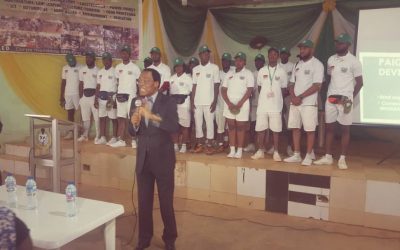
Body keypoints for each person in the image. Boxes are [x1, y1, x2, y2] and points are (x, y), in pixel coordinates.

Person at [129, 68, 179, 250]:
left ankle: (169, 239)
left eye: (145, 81)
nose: (140, 84)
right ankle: (144, 239)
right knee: (143, 203)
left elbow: (174, 126)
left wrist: (151, 116)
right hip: (143, 160)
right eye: (139, 81)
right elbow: (131, 131)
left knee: (166, 203)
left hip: (163, 160)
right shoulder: (135, 102)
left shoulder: (168, 101)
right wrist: (134, 125)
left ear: (156, 84)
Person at [314, 33, 363, 169]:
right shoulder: (331, 59)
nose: (337, 45)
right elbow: (330, 77)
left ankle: (342, 158)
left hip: (346, 100)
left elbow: (360, 83)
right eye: (337, 42)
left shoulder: (354, 61)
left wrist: (349, 97)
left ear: (348, 45)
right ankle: (328, 157)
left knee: (345, 129)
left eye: (341, 43)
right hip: (331, 98)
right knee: (329, 128)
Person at [283, 40, 324, 165]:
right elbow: (291, 83)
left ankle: (308, 155)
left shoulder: (317, 64)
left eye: (305, 48)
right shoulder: (297, 65)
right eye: (301, 48)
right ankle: (296, 154)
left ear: (311, 49)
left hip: (308, 103)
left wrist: (300, 97)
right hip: (295, 102)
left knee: (310, 130)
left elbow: (317, 86)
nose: (301, 50)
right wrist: (293, 97)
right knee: (295, 128)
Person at [251, 48, 288, 161]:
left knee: (276, 130)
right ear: (268, 56)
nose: (272, 56)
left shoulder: (282, 71)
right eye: (270, 54)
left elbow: (283, 89)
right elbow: (260, 88)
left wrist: (276, 98)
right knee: (261, 129)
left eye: (275, 54)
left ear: (277, 56)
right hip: (263, 105)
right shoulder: (262, 71)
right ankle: (260, 151)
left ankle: (276, 151)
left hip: (276, 106)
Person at [221, 52, 254, 158]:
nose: (238, 62)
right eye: (236, 60)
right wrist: (229, 103)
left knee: (240, 127)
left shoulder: (248, 73)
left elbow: (249, 90)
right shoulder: (229, 74)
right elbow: (223, 90)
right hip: (229, 104)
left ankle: (239, 150)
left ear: (244, 62)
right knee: (230, 126)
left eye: (240, 60)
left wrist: (240, 103)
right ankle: (232, 150)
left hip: (242, 104)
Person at [190, 45, 220, 154]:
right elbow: (194, 86)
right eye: (203, 53)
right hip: (197, 102)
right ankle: (200, 145)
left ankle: (209, 145)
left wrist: (215, 100)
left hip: (209, 101)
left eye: (207, 53)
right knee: (198, 123)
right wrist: (192, 101)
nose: (206, 55)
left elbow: (217, 85)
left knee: (209, 123)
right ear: (199, 55)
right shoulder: (195, 69)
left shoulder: (214, 68)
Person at [111, 45, 141, 148]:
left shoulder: (135, 68)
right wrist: (115, 96)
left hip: (131, 96)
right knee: (121, 118)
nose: (124, 55)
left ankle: (134, 140)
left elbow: (139, 84)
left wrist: (138, 97)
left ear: (129, 54)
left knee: (132, 118)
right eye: (122, 53)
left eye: (126, 53)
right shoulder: (118, 68)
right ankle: (121, 140)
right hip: (120, 96)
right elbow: (118, 82)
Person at [170, 58, 193, 153]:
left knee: (185, 126)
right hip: (173, 103)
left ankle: (183, 145)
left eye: (180, 66)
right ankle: (175, 145)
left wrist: (192, 105)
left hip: (184, 102)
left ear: (183, 67)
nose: (178, 68)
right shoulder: (171, 78)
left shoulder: (188, 78)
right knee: (174, 126)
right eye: (176, 66)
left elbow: (192, 93)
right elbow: (169, 92)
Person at [94, 52, 118, 145]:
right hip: (101, 98)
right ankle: (103, 137)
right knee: (102, 118)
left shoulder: (115, 71)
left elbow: (118, 85)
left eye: (107, 59)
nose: (105, 61)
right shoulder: (100, 72)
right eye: (104, 59)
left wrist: (115, 97)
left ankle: (114, 137)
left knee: (113, 118)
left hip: (111, 98)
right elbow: (98, 86)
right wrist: (96, 98)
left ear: (111, 60)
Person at [244, 54, 265, 152]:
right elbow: (249, 90)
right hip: (253, 103)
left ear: (263, 62)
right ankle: (251, 144)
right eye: (256, 61)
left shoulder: (266, 72)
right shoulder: (252, 74)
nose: (258, 63)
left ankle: (263, 146)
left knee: (264, 126)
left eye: (260, 61)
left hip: (264, 104)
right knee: (252, 125)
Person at [78, 51, 100, 143]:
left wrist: (96, 98)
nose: (88, 59)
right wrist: (81, 97)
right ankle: (85, 135)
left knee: (97, 118)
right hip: (84, 97)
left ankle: (98, 136)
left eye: (90, 57)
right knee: (85, 118)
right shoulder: (82, 70)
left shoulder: (98, 70)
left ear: (94, 59)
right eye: (87, 57)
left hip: (94, 96)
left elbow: (99, 85)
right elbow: (81, 83)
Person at [216, 52, 235, 153]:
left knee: (230, 126)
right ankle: (220, 144)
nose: (225, 62)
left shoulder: (234, 72)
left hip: (230, 103)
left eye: (227, 60)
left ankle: (228, 143)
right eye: (223, 60)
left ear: (230, 61)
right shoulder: (218, 73)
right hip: (220, 103)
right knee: (220, 125)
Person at [60, 53, 80, 139]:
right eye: (70, 62)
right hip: (68, 94)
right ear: (67, 61)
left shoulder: (81, 67)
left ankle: (79, 132)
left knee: (80, 114)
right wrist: (61, 96)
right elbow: (63, 82)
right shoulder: (65, 68)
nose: (72, 63)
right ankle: (71, 132)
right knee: (69, 113)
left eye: (73, 61)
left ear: (75, 59)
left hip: (77, 93)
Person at [279, 47, 295, 156]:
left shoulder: (293, 66)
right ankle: (275, 147)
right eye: (282, 54)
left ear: (288, 55)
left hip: (289, 96)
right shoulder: (277, 67)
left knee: (289, 123)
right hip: (277, 97)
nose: (284, 55)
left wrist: (287, 93)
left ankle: (289, 147)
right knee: (276, 122)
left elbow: (294, 82)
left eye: (286, 54)